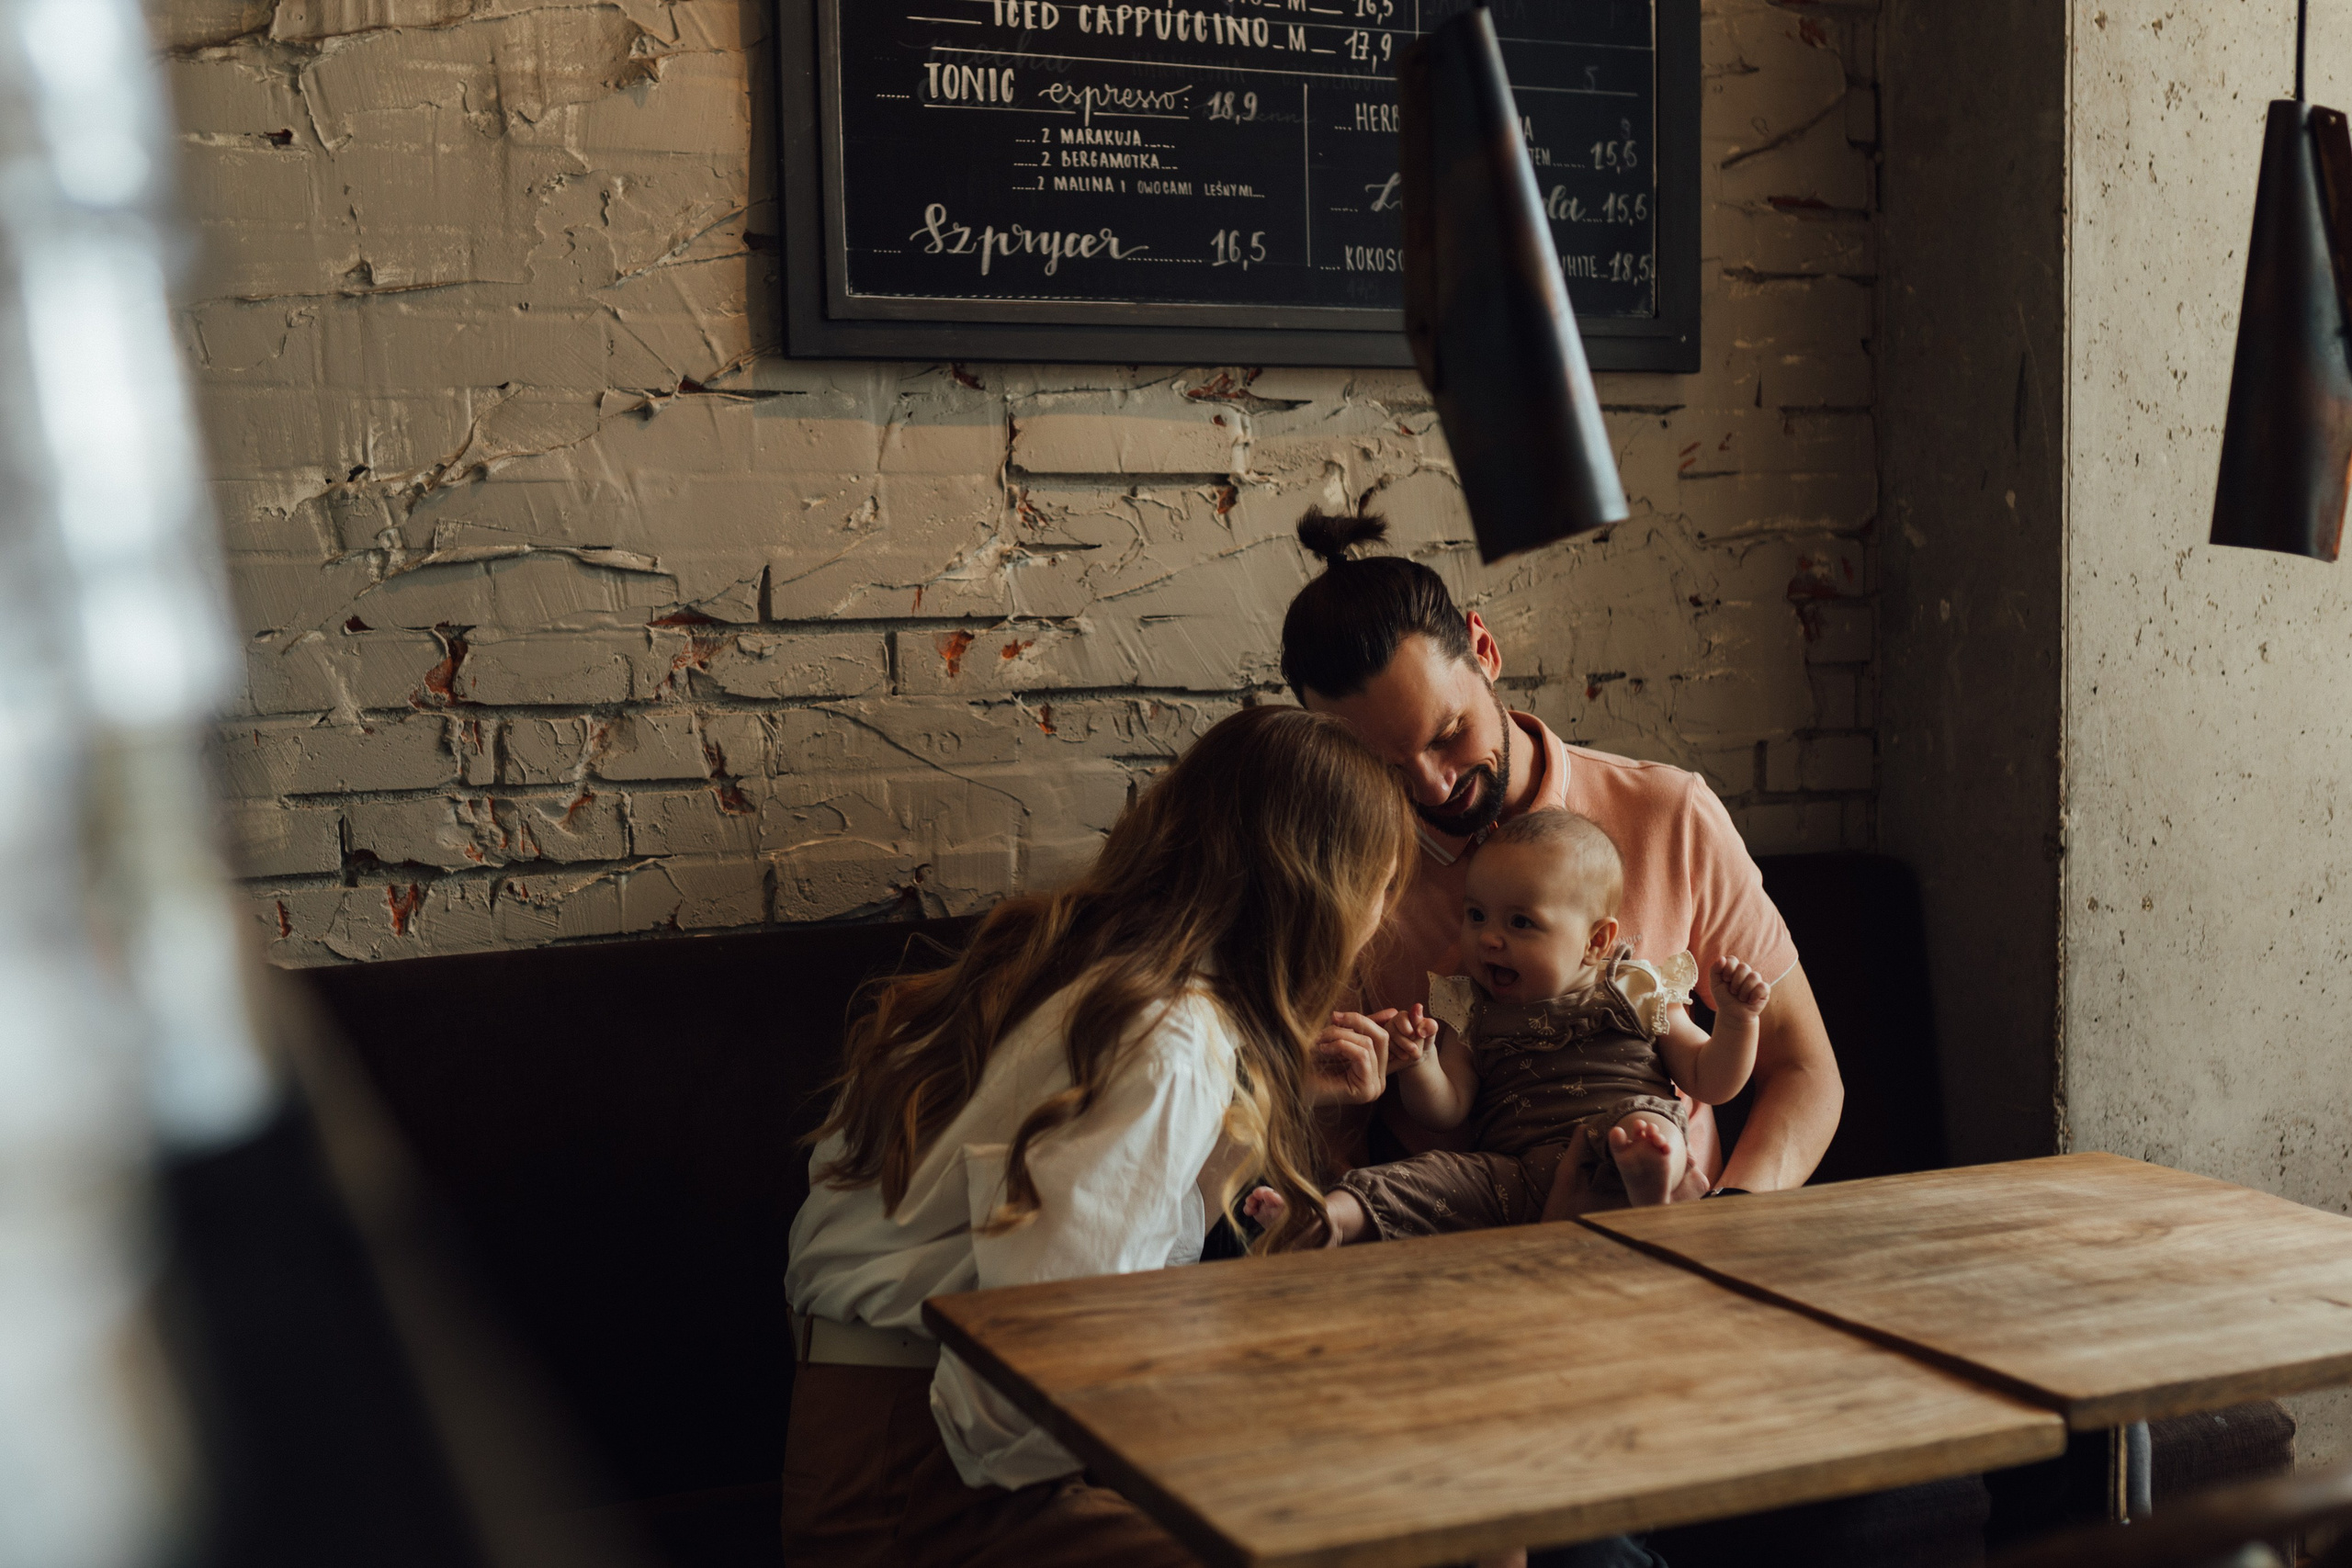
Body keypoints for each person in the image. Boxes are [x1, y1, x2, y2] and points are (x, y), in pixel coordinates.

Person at [779, 705, 1417, 1568]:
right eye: (1382, 887)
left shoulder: (1075, 965)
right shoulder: (1167, 1038)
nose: (1380, 920)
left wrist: (1259, 1086)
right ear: (1318, 891)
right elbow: (1042, 1354)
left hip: (865, 1428)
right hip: (924, 1475)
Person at [1281, 510, 1841, 1206]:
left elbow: (1803, 1068)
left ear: (1484, 649)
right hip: (1463, 1251)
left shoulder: (1672, 813)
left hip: (1676, 1231)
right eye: (1383, 765)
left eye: (1450, 733)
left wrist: (1730, 1220)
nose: (1433, 785)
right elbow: (1331, 1138)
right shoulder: (1340, 881)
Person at [1256, 808, 1774, 1245]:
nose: (1488, 939)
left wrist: (1736, 1020)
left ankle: (1647, 1177)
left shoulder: (1635, 988)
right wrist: (1421, 1062)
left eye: (1520, 922)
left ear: (1596, 942)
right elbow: (1446, 1108)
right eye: (1476, 915)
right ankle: (1325, 1217)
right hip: (1515, 1177)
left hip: (1617, 1132)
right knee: (1420, 1177)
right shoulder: (1470, 1007)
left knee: (1645, 1121)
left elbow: (1710, 1079)